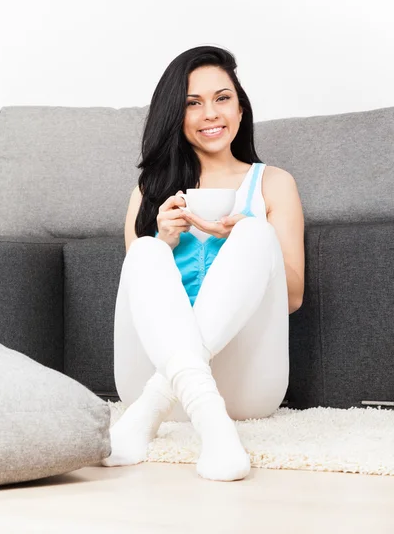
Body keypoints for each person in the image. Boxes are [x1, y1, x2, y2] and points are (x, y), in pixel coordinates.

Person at [101, 45, 305, 481]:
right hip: (159, 372)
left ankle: (149, 412)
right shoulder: (149, 192)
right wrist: (164, 238)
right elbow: (142, 297)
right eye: (193, 103)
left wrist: (245, 240)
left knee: (255, 232)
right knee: (147, 251)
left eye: (222, 98)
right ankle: (213, 429)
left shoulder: (274, 183)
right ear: (175, 115)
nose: (211, 113)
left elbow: (291, 297)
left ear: (240, 107)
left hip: (246, 386)